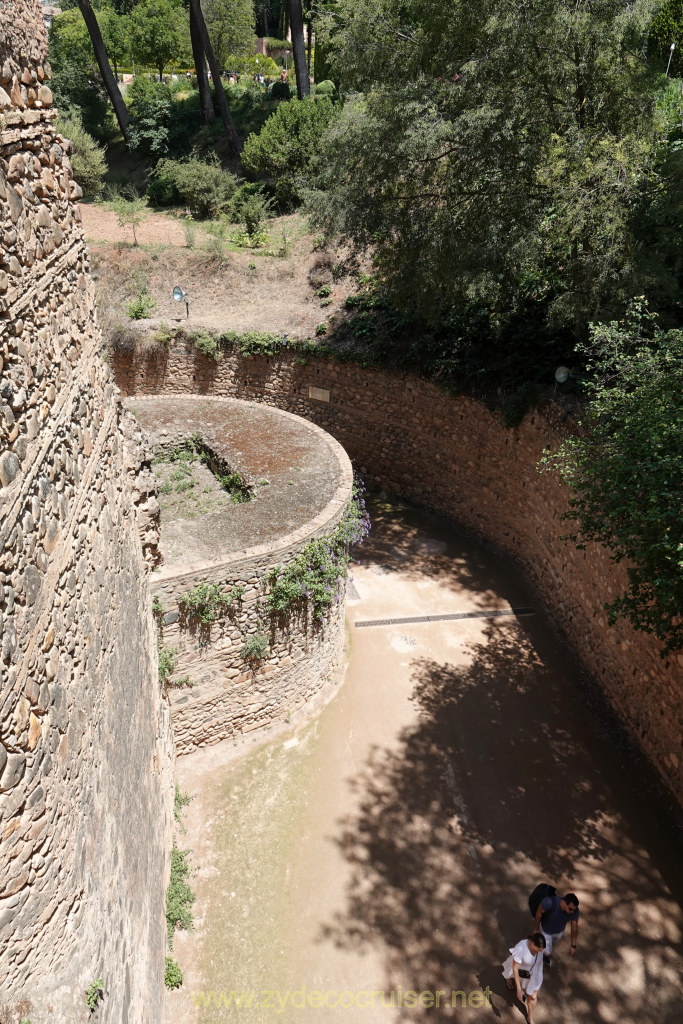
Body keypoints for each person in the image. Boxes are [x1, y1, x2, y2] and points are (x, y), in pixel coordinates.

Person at [502, 932, 546, 1024]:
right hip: (521, 970)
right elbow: (515, 967)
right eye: (538, 950)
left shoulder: (540, 948)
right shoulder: (521, 947)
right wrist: (519, 989)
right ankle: (509, 980)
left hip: (535, 972)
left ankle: (529, 1017)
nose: (540, 952)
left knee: (533, 997)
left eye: (542, 950)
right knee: (509, 974)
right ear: (532, 943)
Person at [533, 891, 579, 966]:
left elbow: (574, 926)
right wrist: (536, 929)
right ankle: (543, 957)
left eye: (574, 910)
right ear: (564, 902)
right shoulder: (549, 903)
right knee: (547, 950)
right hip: (546, 931)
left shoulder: (574, 911)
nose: (572, 912)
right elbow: (538, 913)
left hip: (559, 932)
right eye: (570, 909)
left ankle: (543, 951)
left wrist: (573, 945)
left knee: (551, 944)